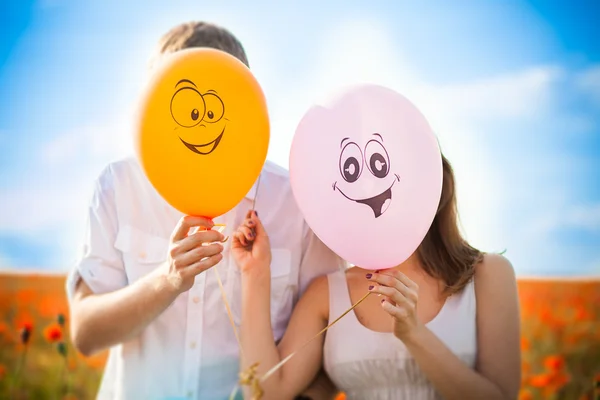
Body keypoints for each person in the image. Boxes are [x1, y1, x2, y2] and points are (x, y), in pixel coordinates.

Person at [66, 21, 345, 400]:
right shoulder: (118, 186)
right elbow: (85, 332)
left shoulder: (298, 203)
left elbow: (327, 347)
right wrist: (166, 280)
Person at [232, 154, 521, 400]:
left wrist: (414, 334)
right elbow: (267, 391)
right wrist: (254, 273)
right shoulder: (328, 292)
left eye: (380, 166)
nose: (367, 184)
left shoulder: (487, 275)